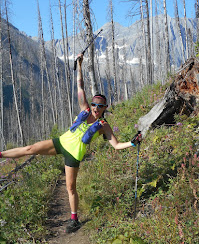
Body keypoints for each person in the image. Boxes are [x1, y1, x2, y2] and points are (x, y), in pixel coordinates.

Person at [0, 54, 141, 233]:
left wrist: (132, 143)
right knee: (30, 149)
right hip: (60, 142)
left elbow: (116, 145)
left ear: (105, 108)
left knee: (70, 187)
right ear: (91, 104)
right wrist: (80, 65)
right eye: (95, 104)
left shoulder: (104, 126)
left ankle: (74, 219)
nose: (96, 108)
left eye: (100, 106)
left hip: (74, 155)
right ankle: (1, 155)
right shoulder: (84, 109)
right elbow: (79, 86)